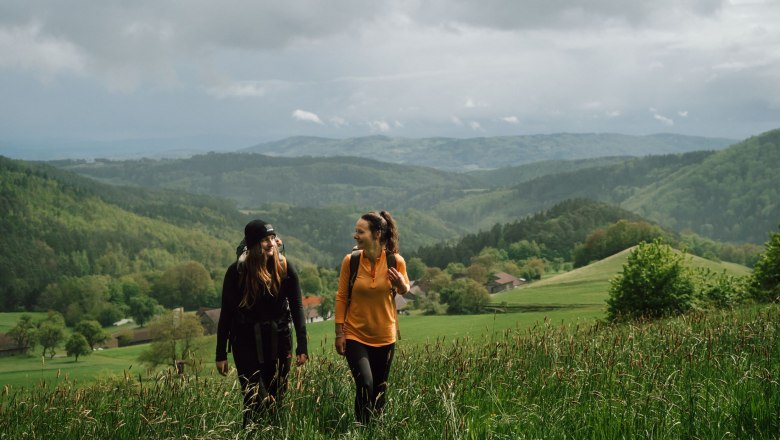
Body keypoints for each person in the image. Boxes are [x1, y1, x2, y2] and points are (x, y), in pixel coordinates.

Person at [216, 219, 308, 427]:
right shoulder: (236, 272)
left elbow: (297, 307)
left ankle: (273, 432)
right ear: (253, 245)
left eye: (273, 239)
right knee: (255, 398)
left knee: (277, 400)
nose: (271, 244)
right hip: (246, 342)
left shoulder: (285, 267)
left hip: (280, 340)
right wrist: (220, 353)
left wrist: (302, 345)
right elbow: (227, 314)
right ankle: (251, 433)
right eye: (265, 240)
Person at [335, 210, 410, 424]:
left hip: (385, 336)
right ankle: (361, 428)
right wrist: (339, 332)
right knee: (365, 384)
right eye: (356, 231)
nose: (355, 235)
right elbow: (341, 297)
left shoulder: (396, 261)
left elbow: (405, 289)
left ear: (377, 234)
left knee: (379, 389)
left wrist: (400, 284)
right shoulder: (351, 261)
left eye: (360, 231)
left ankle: (376, 430)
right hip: (355, 335)